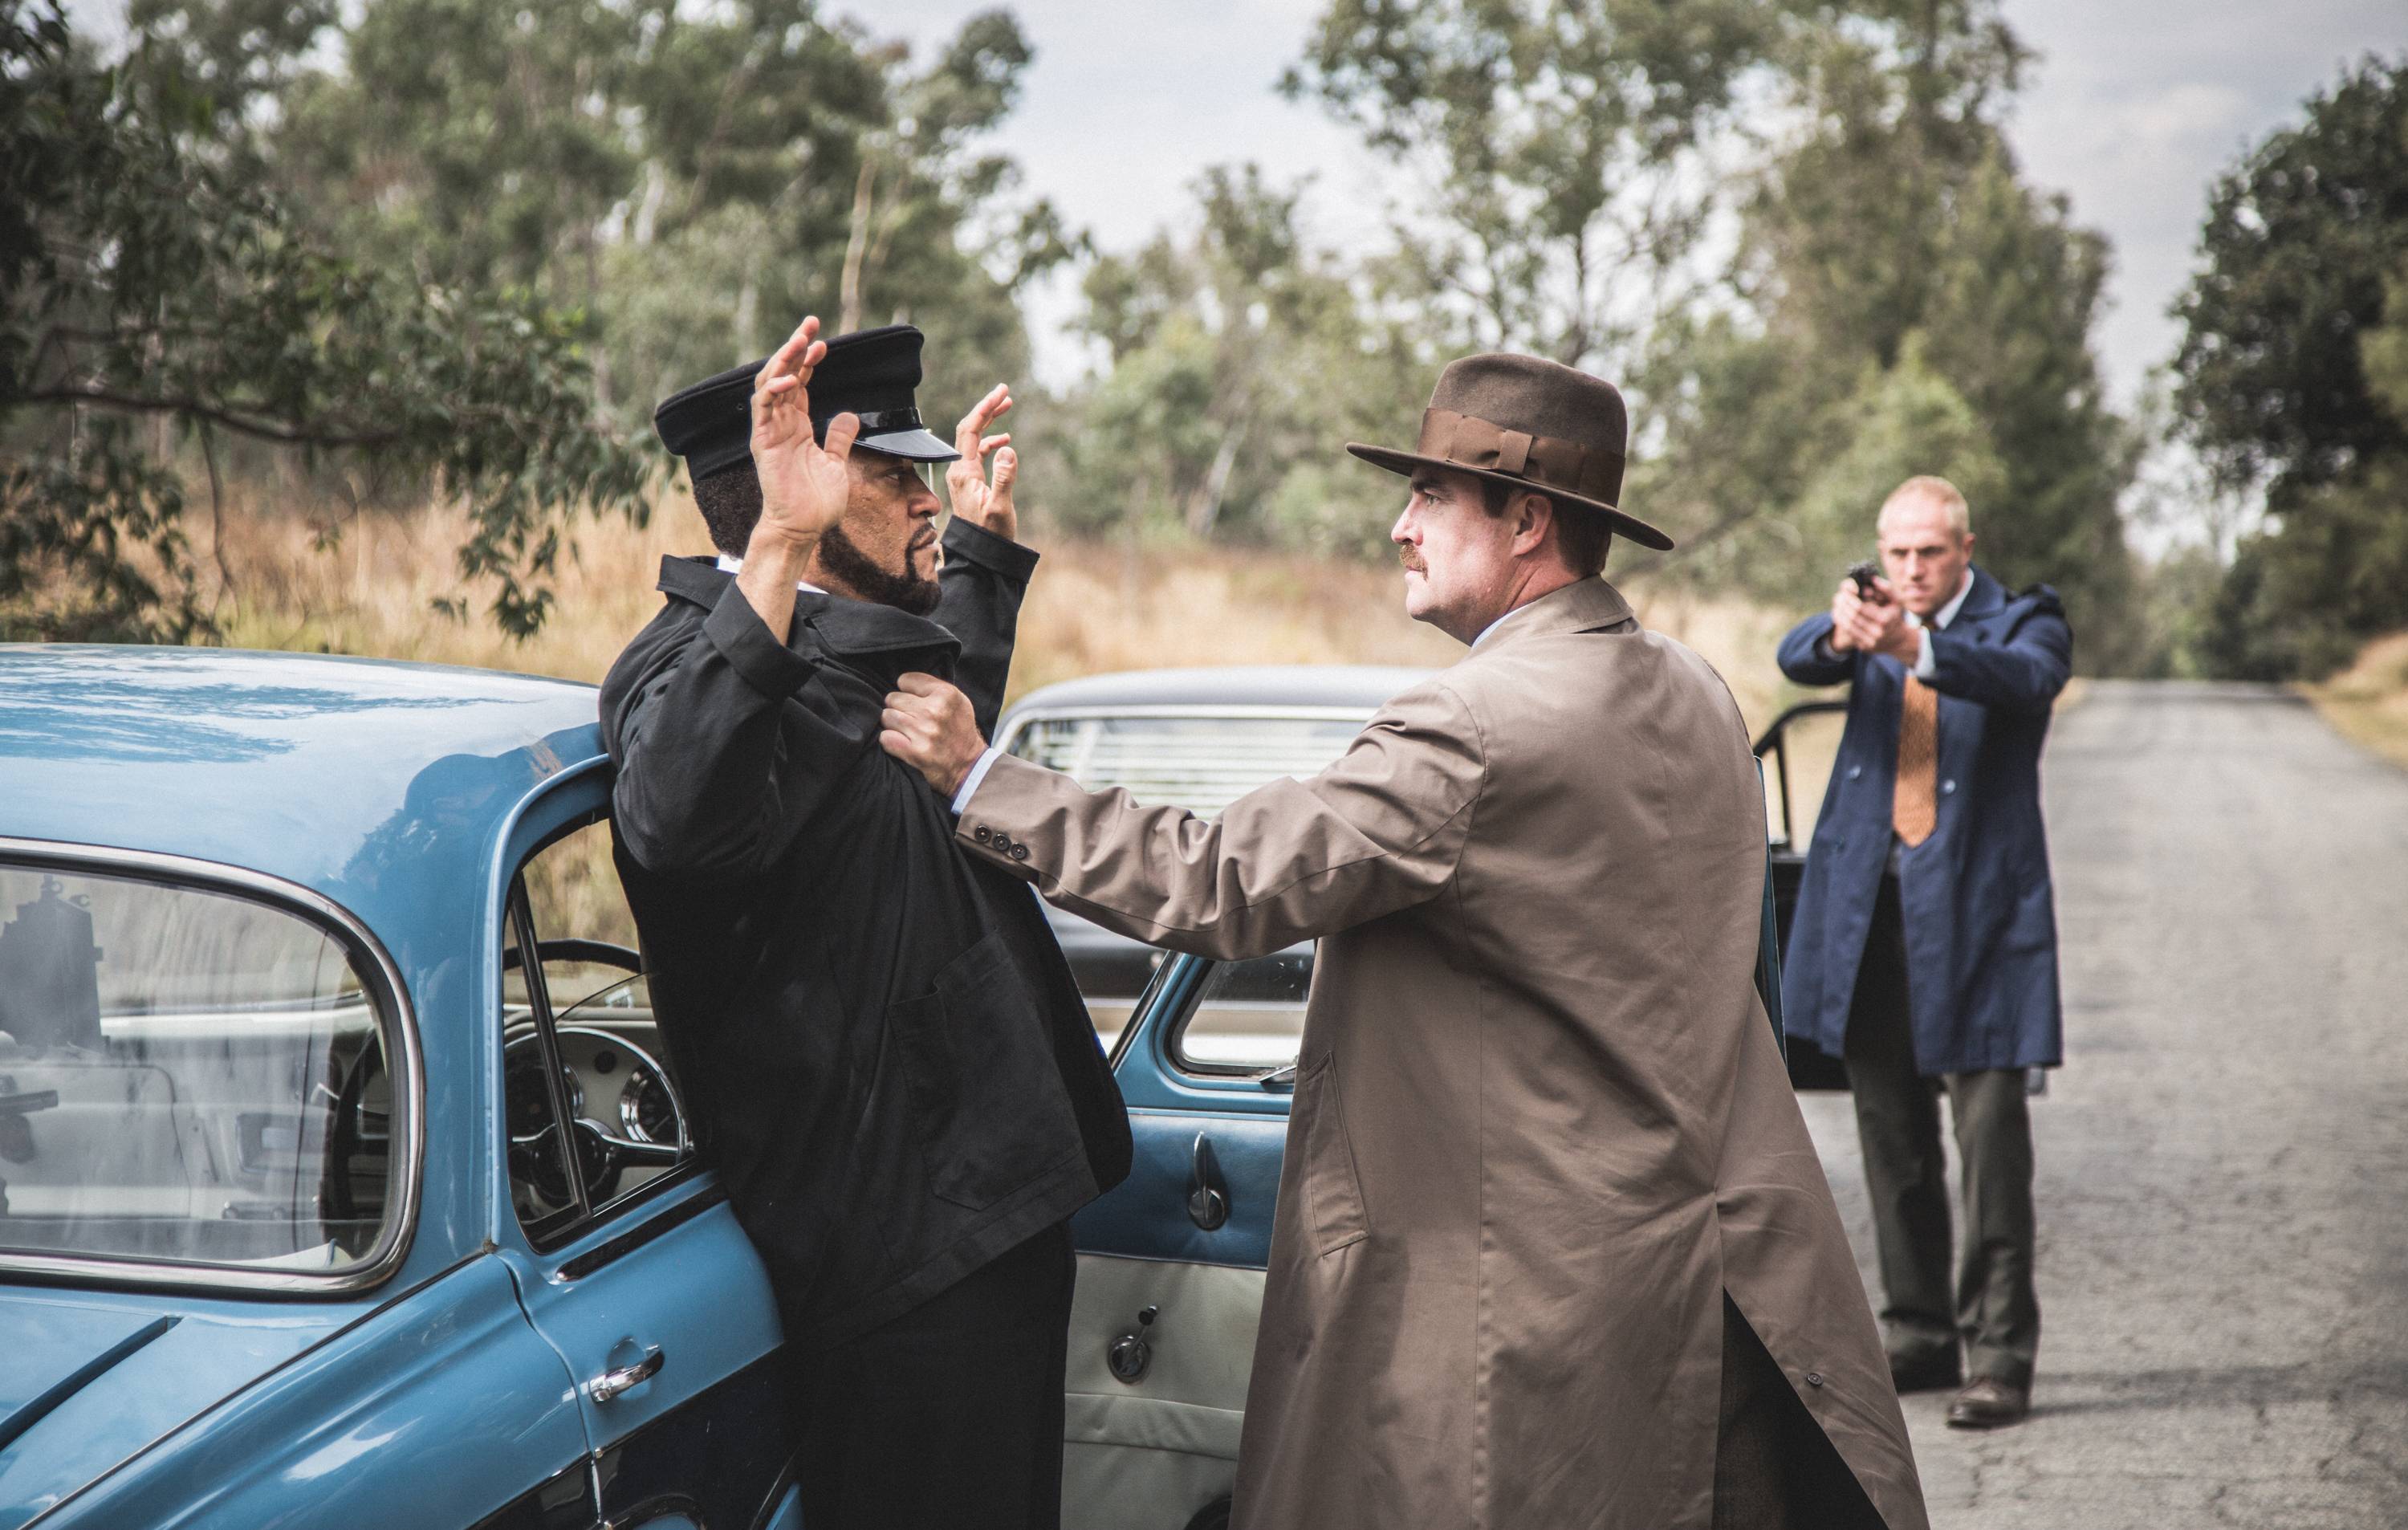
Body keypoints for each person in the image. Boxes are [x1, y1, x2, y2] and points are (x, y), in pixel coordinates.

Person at [879, 353, 1930, 1530]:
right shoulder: (1694, 688)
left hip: (1520, 1325)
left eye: (1431, 496)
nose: (1400, 527)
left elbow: (1224, 880)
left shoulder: (1472, 723)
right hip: (1702, 1286)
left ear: (1528, 520)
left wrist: (981, 777)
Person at [600, 316, 1131, 1529]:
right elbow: (674, 820)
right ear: (795, 489)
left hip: (990, 1208)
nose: (926, 496)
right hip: (900, 1254)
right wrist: (782, 547)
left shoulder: (847, 643)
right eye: (895, 475)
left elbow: (922, 762)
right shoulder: (684, 666)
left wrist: (980, 563)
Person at [1773, 475, 2072, 1430]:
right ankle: (1919, 1335)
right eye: (1895, 554)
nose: (1909, 570)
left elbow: (2026, 678)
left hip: (1977, 922)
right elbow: (1797, 660)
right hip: (1874, 914)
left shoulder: (2024, 619)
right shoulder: (1877, 611)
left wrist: (1920, 647)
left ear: (1965, 547)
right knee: (1890, 1138)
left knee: (1989, 1149)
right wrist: (1839, 631)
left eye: (1928, 554)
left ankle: (2001, 1356)